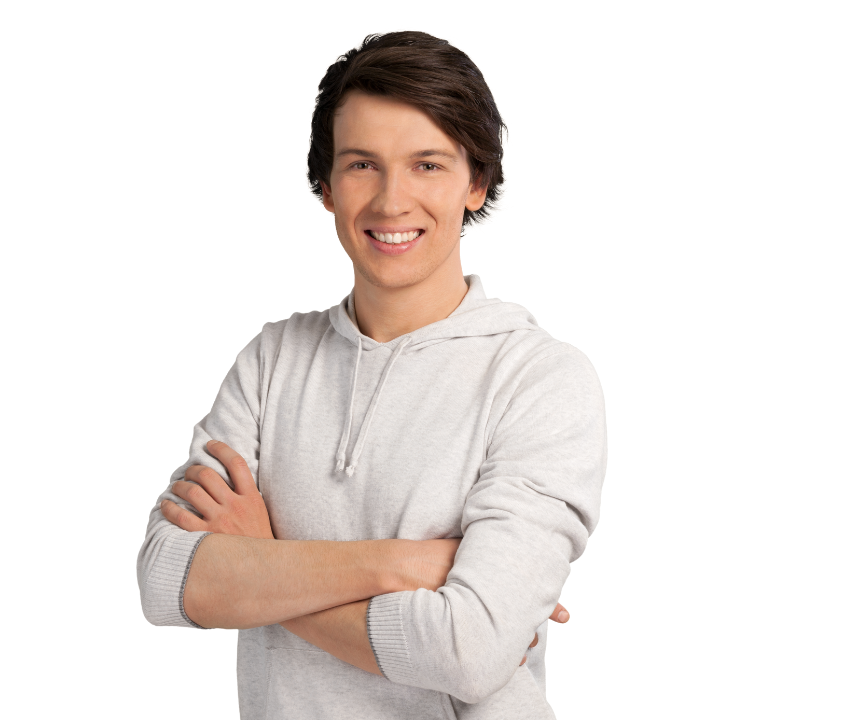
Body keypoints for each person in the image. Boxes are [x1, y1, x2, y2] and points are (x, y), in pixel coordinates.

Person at [137, 31, 606, 719]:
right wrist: (410, 564)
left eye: (427, 165)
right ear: (326, 187)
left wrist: (261, 563)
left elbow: (469, 650)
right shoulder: (271, 362)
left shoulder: (541, 381)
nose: (392, 201)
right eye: (363, 165)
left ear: (476, 183)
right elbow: (165, 580)